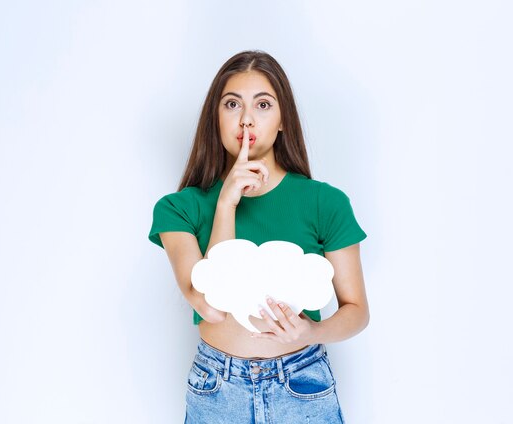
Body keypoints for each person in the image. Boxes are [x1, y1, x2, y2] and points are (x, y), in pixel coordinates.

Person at [148, 50, 369, 423]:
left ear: (283, 120)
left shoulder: (325, 203)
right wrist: (226, 204)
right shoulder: (179, 209)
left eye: (263, 104)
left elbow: (357, 312)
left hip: (303, 383)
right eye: (232, 104)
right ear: (215, 118)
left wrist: (311, 331)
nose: (247, 118)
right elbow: (209, 304)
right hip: (218, 391)